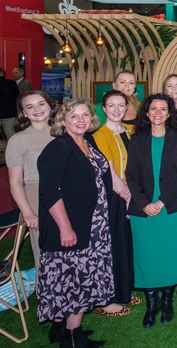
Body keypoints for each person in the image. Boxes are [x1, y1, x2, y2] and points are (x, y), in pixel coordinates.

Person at [37, 99, 113, 347]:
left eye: (85, 115)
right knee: (72, 281)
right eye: (74, 116)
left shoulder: (87, 142)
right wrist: (65, 227)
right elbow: (50, 191)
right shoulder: (57, 148)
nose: (80, 120)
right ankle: (69, 338)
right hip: (72, 226)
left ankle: (71, 331)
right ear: (63, 120)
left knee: (84, 277)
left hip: (94, 224)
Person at [125, 94, 177, 328]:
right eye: (154, 109)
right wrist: (144, 204)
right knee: (147, 255)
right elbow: (131, 174)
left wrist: (161, 202)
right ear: (147, 113)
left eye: (163, 109)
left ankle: (167, 299)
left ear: (170, 113)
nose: (159, 113)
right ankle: (151, 304)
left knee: (169, 254)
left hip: (170, 207)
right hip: (143, 209)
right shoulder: (137, 139)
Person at [91, 90, 137, 317]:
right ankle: (107, 299)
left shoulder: (130, 130)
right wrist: (128, 196)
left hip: (130, 193)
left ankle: (124, 290)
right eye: (111, 105)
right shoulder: (101, 134)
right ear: (104, 108)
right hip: (113, 196)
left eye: (121, 105)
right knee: (113, 244)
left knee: (126, 242)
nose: (117, 110)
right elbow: (111, 173)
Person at [7, 91, 53, 271]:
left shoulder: (64, 132)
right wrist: (28, 213)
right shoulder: (18, 140)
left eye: (41, 104)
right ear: (24, 113)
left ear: (50, 105)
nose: (37, 109)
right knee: (45, 252)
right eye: (30, 106)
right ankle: (48, 297)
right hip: (36, 193)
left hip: (67, 191)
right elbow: (15, 182)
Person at [0, 67, 20, 139]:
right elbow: (17, 98)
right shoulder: (11, 83)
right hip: (9, 114)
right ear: (3, 73)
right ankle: (12, 149)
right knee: (11, 135)